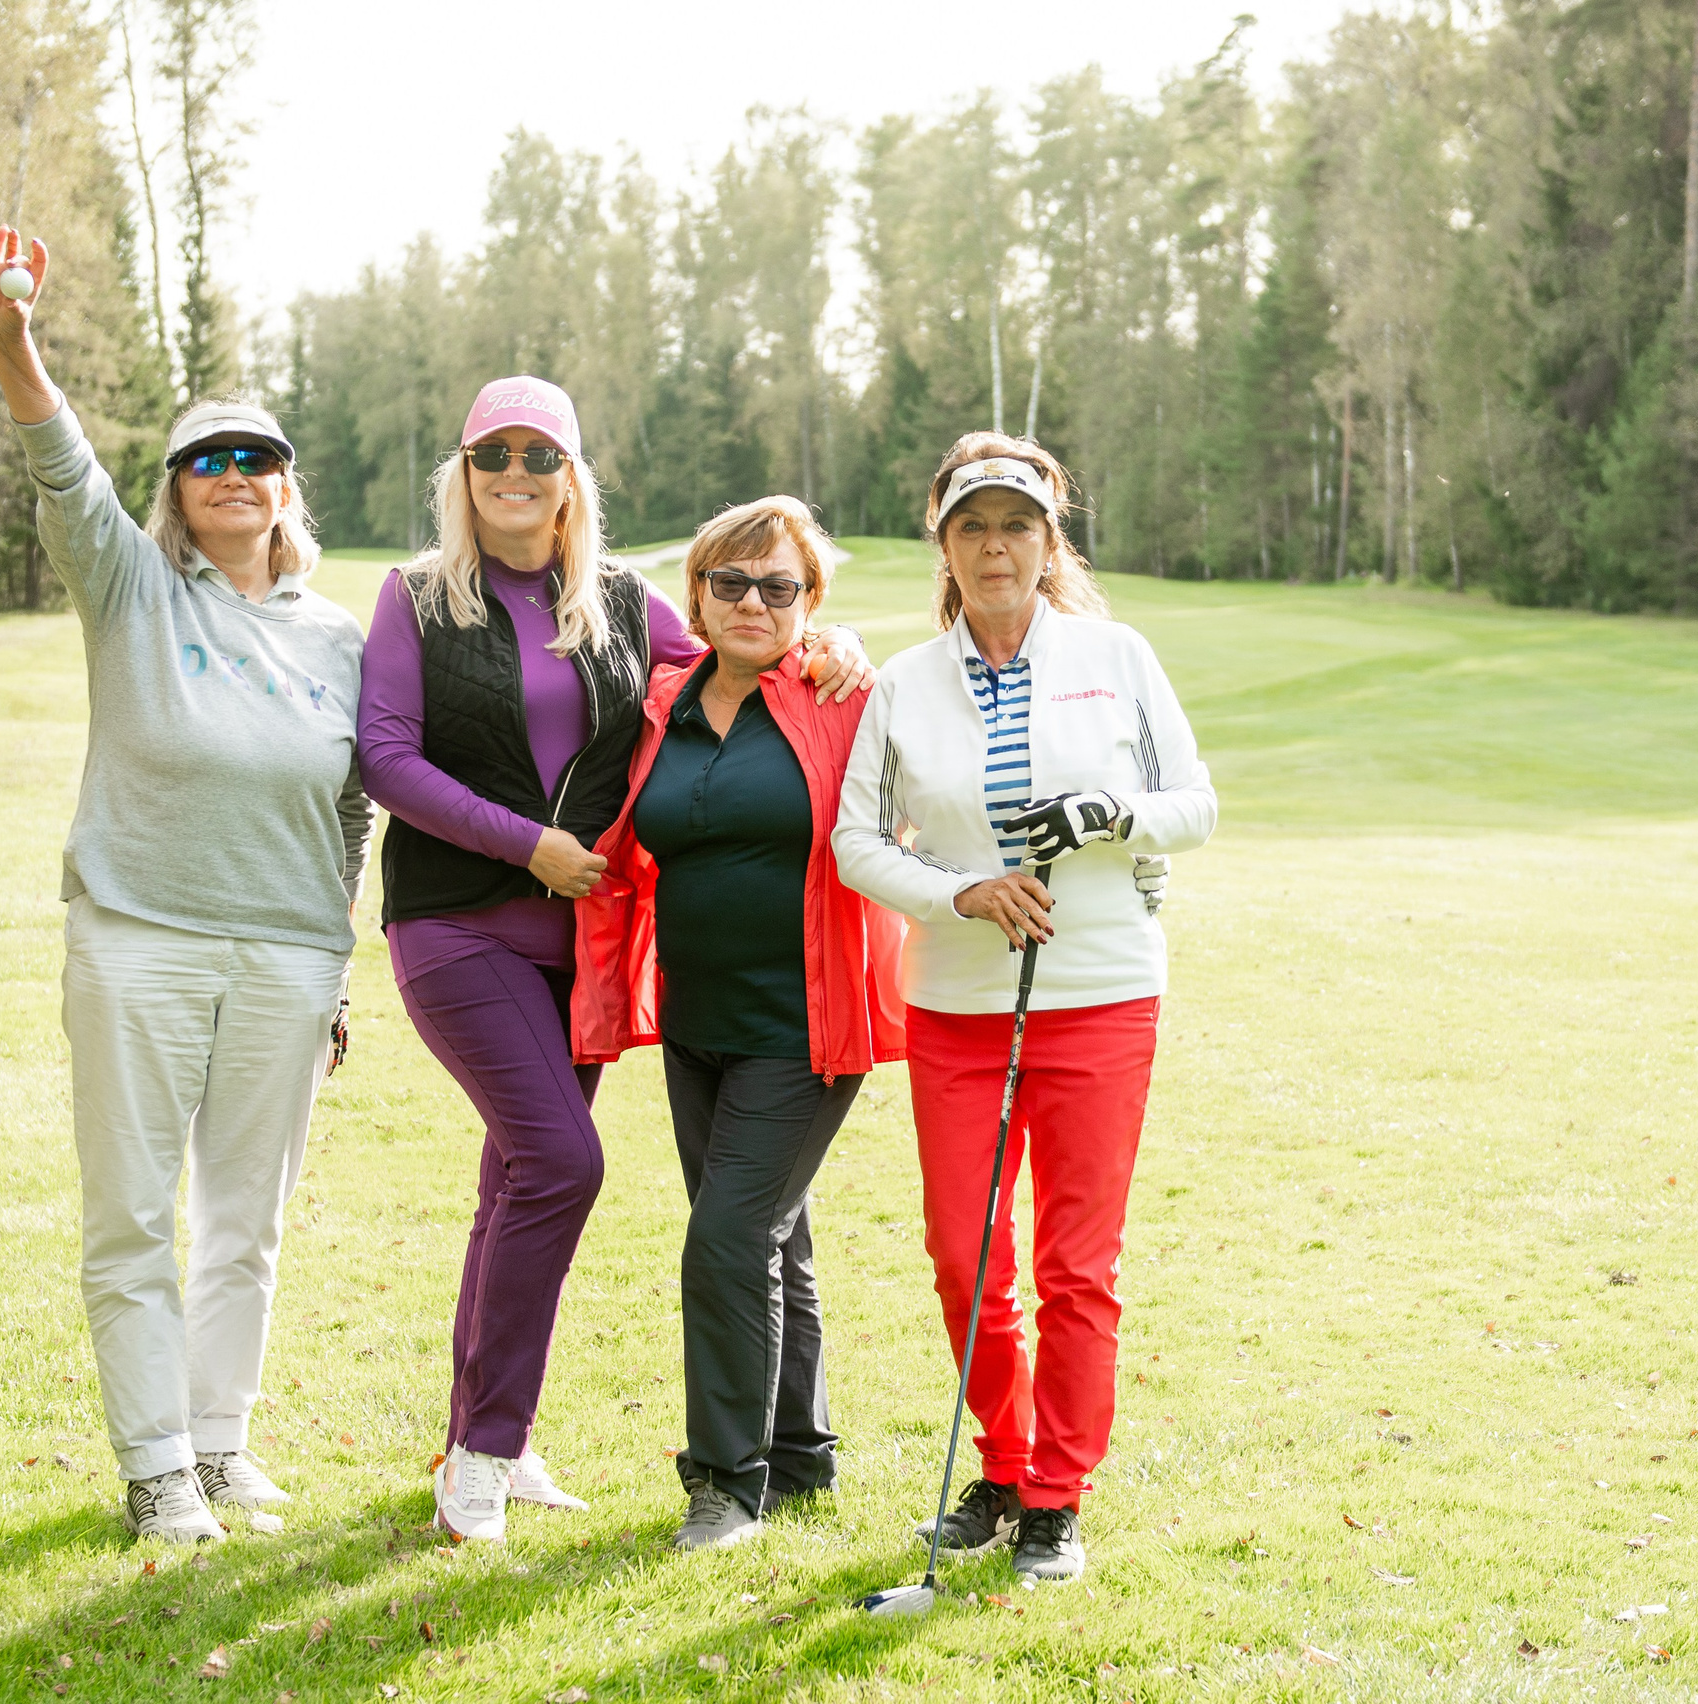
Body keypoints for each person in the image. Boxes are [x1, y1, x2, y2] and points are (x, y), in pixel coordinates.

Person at [356, 376, 874, 1544]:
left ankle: (489, 1435)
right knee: (560, 1162)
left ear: (571, 477)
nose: (516, 474)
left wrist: (832, 643)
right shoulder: (417, 598)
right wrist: (525, 844)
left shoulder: (625, 603)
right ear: (464, 471)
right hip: (454, 927)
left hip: (577, 951)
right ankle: (484, 1453)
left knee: (514, 1183)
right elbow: (385, 757)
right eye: (495, 453)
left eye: (540, 455)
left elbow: (745, 652)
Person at [0, 227, 370, 1545]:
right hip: (139, 939)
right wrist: (14, 340)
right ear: (175, 489)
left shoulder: (337, 637)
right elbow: (60, 462)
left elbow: (354, 806)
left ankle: (218, 1443)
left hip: (287, 959)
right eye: (209, 460)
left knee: (245, 1219)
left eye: (257, 459)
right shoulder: (131, 585)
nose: (235, 477)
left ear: (286, 487)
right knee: (136, 1215)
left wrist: (335, 967)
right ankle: (154, 1469)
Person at [832, 434, 1216, 1583]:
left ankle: (1053, 1495)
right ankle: (1000, 1465)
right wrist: (961, 891)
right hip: (956, 1004)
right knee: (964, 1257)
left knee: (1075, 1266)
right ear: (944, 547)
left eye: (1015, 526)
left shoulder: (1114, 655)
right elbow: (857, 842)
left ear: (1049, 544)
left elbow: (1193, 804)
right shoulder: (904, 683)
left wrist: (1109, 814)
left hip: (1099, 995)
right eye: (972, 528)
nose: (994, 547)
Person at [570, 497, 906, 1551]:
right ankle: (801, 1456)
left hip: (806, 1024)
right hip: (696, 1022)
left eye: (779, 587)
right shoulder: (665, 701)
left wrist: (847, 650)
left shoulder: (843, 698)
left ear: (811, 603)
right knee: (769, 1235)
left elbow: (912, 808)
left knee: (726, 1235)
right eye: (731, 583)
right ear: (699, 595)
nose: (753, 603)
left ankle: (724, 1482)